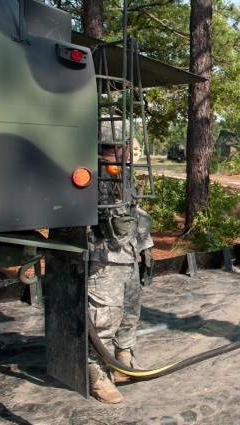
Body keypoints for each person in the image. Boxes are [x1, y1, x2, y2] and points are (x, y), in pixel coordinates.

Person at [87, 124, 153, 404]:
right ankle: (97, 376)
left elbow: (134, 210)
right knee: (103, 319)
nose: (132, 151)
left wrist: (145, 244)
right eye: (127, 145)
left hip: (126, 256)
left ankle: (124, 361)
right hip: (103, 261)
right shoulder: (89, 177)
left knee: (129, 313)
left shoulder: (123, 175)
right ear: (109, 147)